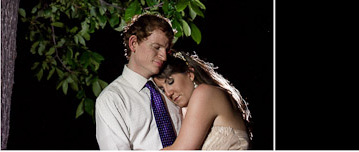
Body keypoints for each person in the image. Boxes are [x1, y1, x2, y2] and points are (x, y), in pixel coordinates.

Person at [96, 14, 183, 149]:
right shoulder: (112, 99)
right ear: (133, 43)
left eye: (167, 50)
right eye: (156, 47)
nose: (164, 56)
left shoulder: (172, 86)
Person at [152, 51, 251, 150]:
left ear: (190, 74)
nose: (168, 93)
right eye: (162, 89)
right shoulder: (188, 109)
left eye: (170, 82)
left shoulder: (205, 93)